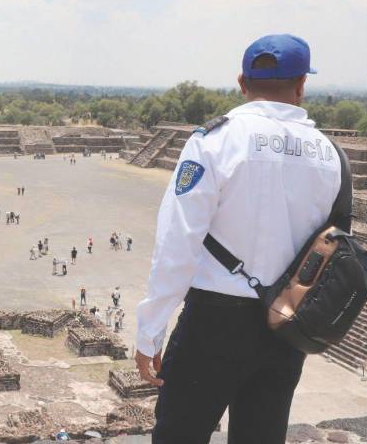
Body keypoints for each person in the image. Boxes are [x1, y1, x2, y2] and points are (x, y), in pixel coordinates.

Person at [135, 35, 342, 444]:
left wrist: (150, 332)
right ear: (302, 84)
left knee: (180, 434)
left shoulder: (215, 141)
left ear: (241, 83)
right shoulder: (330, 154)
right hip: (285, 325)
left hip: (213, 322)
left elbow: (178, 244)